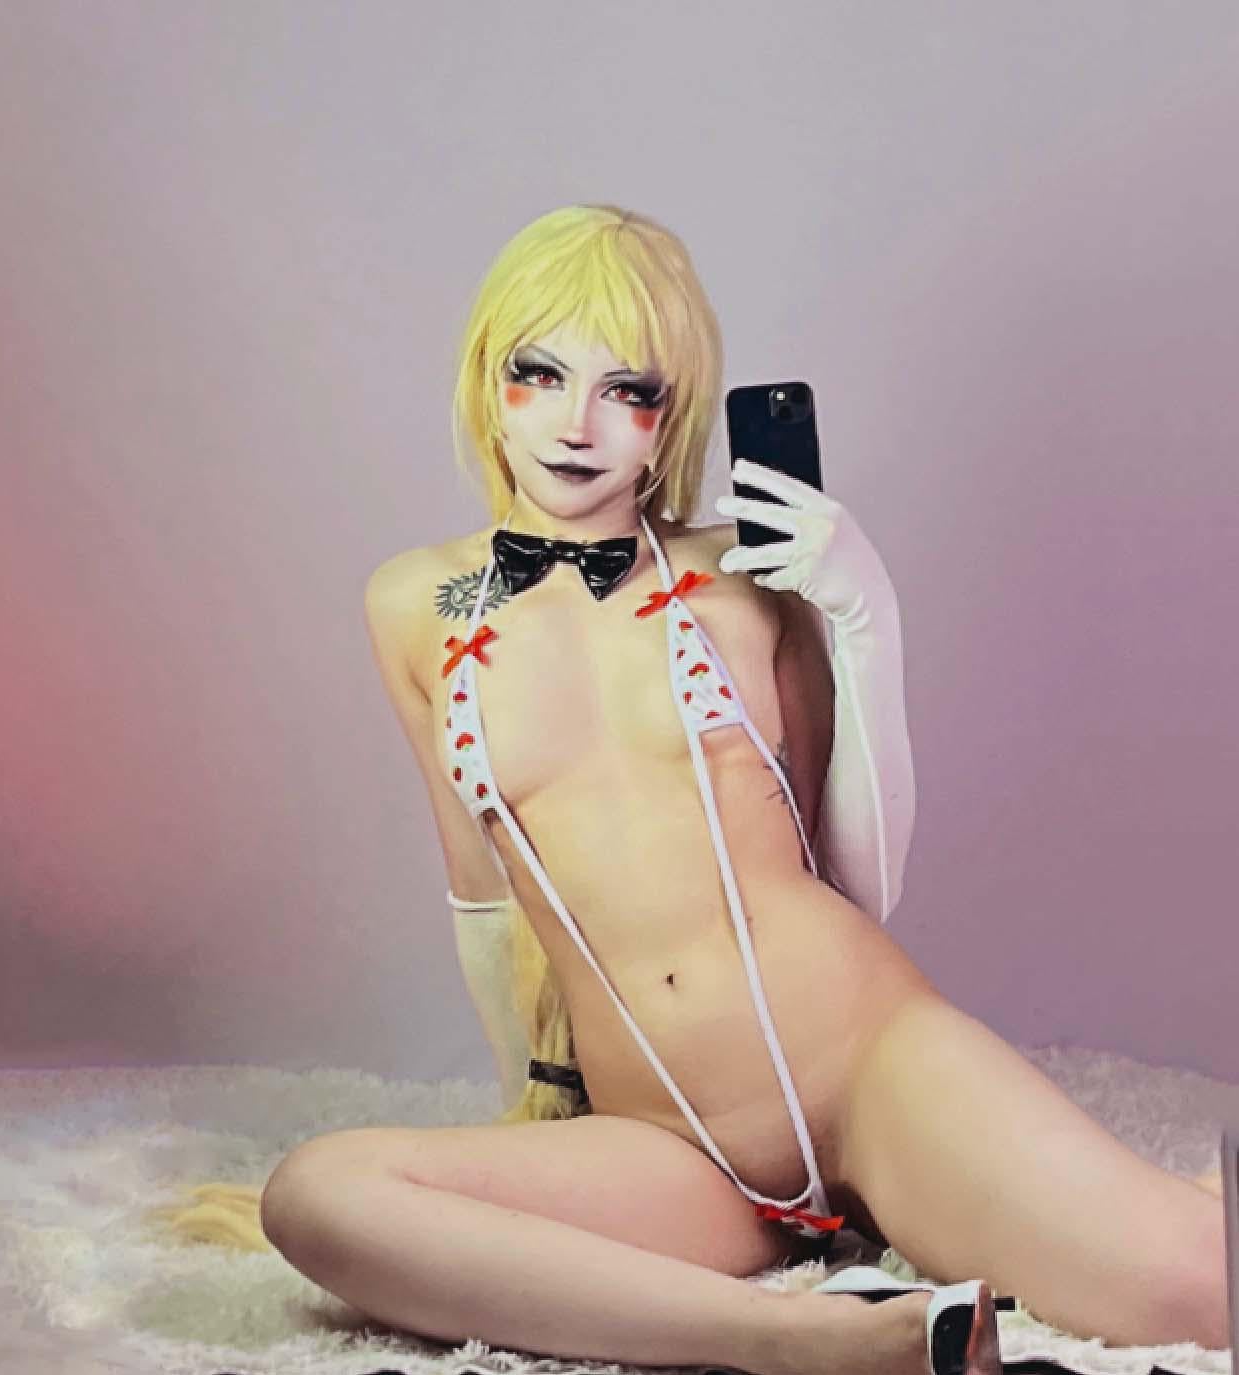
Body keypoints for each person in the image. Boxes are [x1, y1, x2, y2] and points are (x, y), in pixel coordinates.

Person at [149, 205, 1229, 1371]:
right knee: (318, 1195)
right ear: (485, 376)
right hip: (667, 1143)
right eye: (539, 373)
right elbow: (482, 891)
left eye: (627, 389)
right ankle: (795, 1337)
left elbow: (854, 877)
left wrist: (863, 618)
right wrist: (529, 1113)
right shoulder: (415, 603)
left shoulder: (746, 569)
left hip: (866, 1069)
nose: (576, 423)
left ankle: (913, 1266)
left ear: (671, 418)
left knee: (1201, 1285)